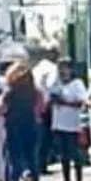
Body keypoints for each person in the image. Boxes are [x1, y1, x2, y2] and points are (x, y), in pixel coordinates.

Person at [0, 59, 42, 181]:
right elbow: (42, 105)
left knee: (14, 156)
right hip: (31, 124)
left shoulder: (10, 91)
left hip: (13, 125)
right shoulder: (34, 91)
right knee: (32, 156)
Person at [47, 58, 86, 181]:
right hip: (58, 123)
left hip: (72, 124)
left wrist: (64, 102)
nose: (63, 71)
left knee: (75, 154)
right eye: (60, 68)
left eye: (65, 68)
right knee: (63, 156)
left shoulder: (77, 84)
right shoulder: (56, 83)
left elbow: (81, 102)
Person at [32, 43, 61, 173]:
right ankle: (42, 165)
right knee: (46, 137)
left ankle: (39, 164)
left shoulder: (37, 67)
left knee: (39, 136)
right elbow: (51, 87)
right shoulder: (53, 68)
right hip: (47, 105)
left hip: (36, 104)